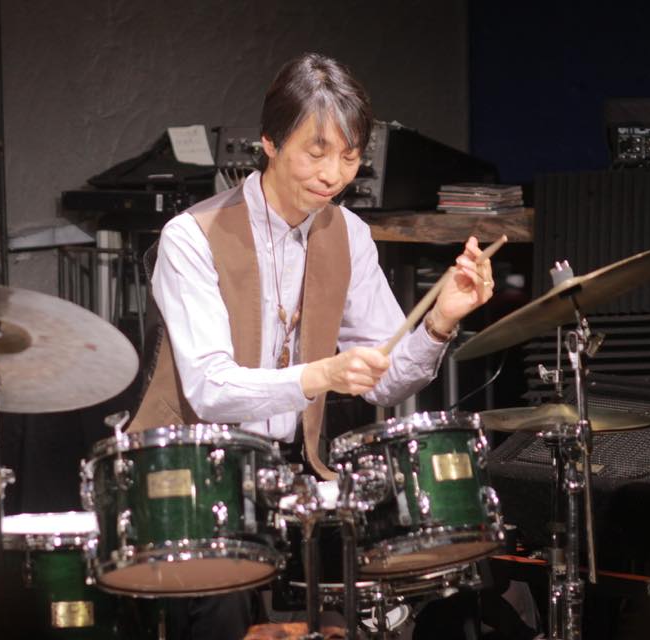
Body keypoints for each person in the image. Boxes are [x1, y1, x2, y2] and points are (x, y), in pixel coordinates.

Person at [130, 52, 496, 639]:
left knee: (428, 565)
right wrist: (321, 375)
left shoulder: (349, 234)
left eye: (349, 157)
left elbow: (387, 379)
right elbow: (210, 389)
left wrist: (439, 323)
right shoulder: (191, 237)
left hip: (291, 474)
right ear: (270, 143)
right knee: (225, 602)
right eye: (316, 152)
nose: (333, 175)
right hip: (190, 478)